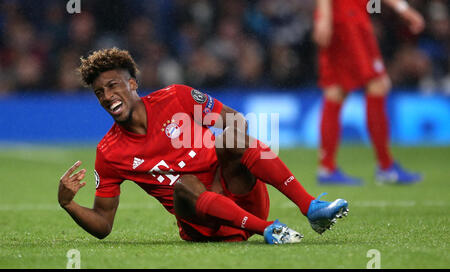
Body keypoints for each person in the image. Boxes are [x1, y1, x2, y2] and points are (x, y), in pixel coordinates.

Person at [57, 48, 349, 244]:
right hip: (203, 224)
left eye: (113, 85)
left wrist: (217, 154)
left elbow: (235, 120)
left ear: (133, 84)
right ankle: (269, 230)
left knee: (232, 138)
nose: (107, 96)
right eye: (99, 93)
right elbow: (103, 225)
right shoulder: (109, 153)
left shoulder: (176, 98)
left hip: (239, 193)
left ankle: (310, 207)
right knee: (183, 184)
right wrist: (69, 204)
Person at [313, 0, 425, 185]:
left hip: (347, 15)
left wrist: (402, 9)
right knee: (377, 84)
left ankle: (327, 167)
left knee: (337, 89)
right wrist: (324, 15)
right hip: (347, 17)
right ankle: (385, 166)